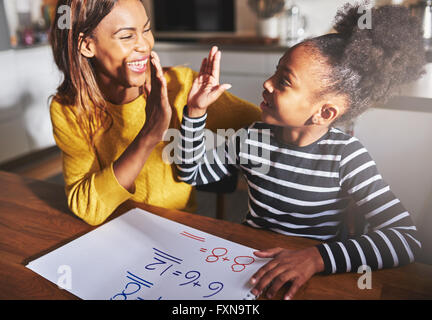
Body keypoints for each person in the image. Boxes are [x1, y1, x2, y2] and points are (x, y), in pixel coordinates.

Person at [176, 3, 426, 300]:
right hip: (250, 263)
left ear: (324, 112)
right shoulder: (252, 137)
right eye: (275, 71)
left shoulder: (346, 157)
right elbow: (190, 172)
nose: (267, 83)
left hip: (313, 276)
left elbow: (405, 239)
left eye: (284, 81)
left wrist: (315, 258)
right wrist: (195, 112)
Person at [48, 0, 261, 226]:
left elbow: (272, 128)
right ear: (86, 45)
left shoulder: (183, 86)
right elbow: (87, 207)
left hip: (177, 227)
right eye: (127, 36)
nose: (145, 45)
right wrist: (149, 136)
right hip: (111, 228)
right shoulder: (69, 108)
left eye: (147, 30)